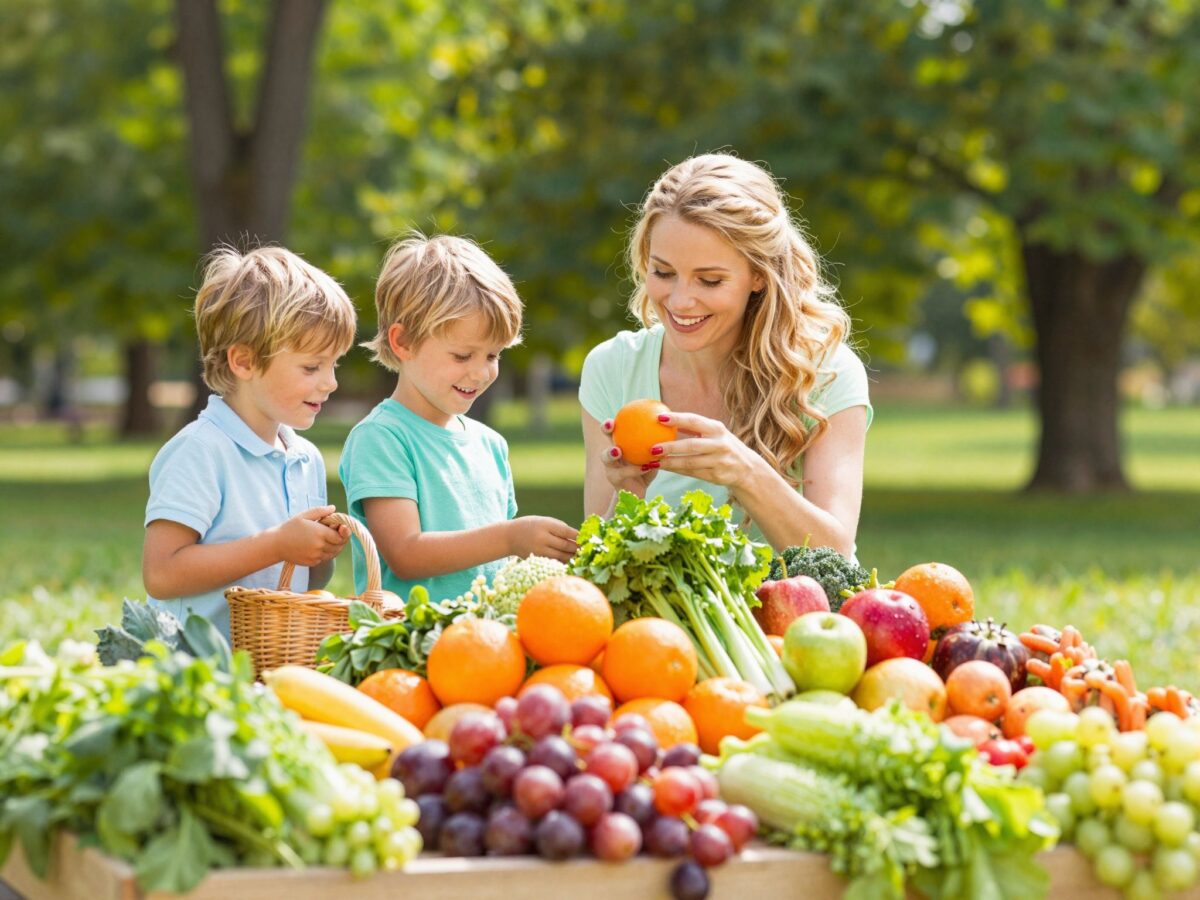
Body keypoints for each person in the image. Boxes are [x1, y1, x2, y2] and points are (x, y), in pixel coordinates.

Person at [580, 153, 872, 556]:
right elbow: (596, 563)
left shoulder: (826, 372)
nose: (681, 301)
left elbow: (833, 554)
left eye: (710, 280)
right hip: (660, 620)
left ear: (758, 275)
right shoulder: (612, 368)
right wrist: (629, 495)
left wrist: (746, 473)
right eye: (663, 273)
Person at [340, 233, 578, 604]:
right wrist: (510, 537)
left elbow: (496, 566)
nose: (481, 373)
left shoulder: (490, 445)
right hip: (409, 646)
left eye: (493, 356)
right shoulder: (382, 438)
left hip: (485, 646)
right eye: (463, 356)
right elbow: (405, 554)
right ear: (403, 343)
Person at [142, 246, 357, 638]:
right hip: (194, 672)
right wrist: (276, 544)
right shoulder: (200, 452)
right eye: (312, 366)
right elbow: (161, 573)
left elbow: (298, 584)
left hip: (267, 664)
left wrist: (319, 553)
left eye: (333, 364)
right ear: (243, 362)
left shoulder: (304, 458)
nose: (331, 382)